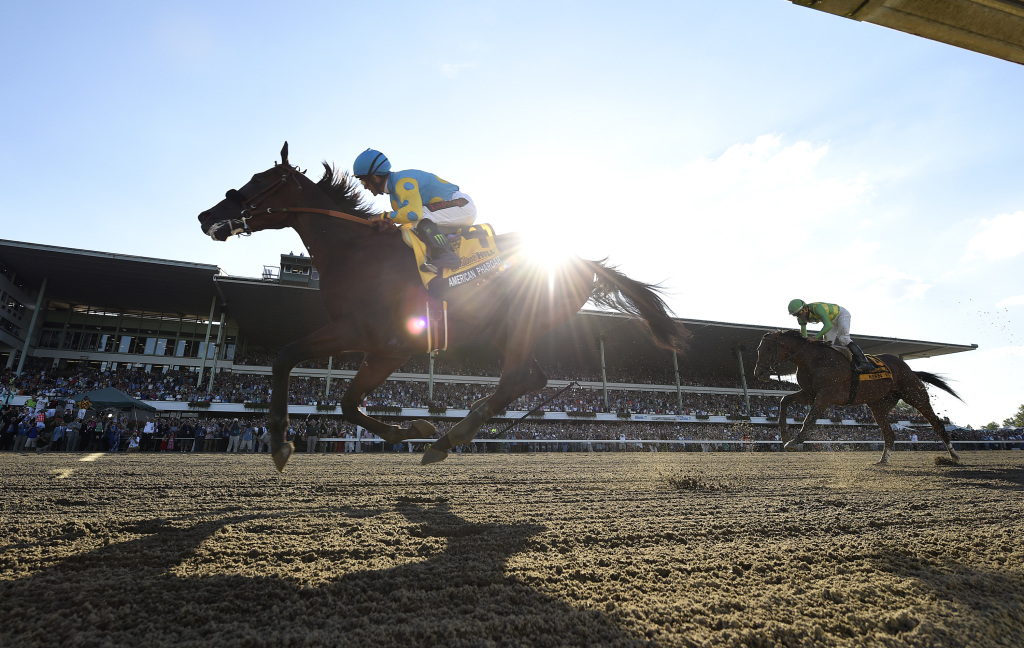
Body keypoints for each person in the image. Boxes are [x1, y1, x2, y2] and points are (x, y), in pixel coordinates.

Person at [352, 148, 477, 274]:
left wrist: (383, 216)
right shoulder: (394, 198)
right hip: (450, 213)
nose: (364, 186)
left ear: (374, 177)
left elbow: (413, 214)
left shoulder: (402, 182)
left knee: (417, 216)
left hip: (461, 206)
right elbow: (408, 221)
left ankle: (446, 255)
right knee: (411, 229)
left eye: (363, 180)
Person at [787, 299, 874, 372]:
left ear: (805, 308)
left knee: (843, 339)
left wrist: (815, 338)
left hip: (841, 315)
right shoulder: (801, 319)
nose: (799, 316)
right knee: (827, 344)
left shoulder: (817, 308)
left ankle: (865, 362)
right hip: (831, 321)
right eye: (795, 315)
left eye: (799, 313)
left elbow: (828, 325)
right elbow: (804, 335)